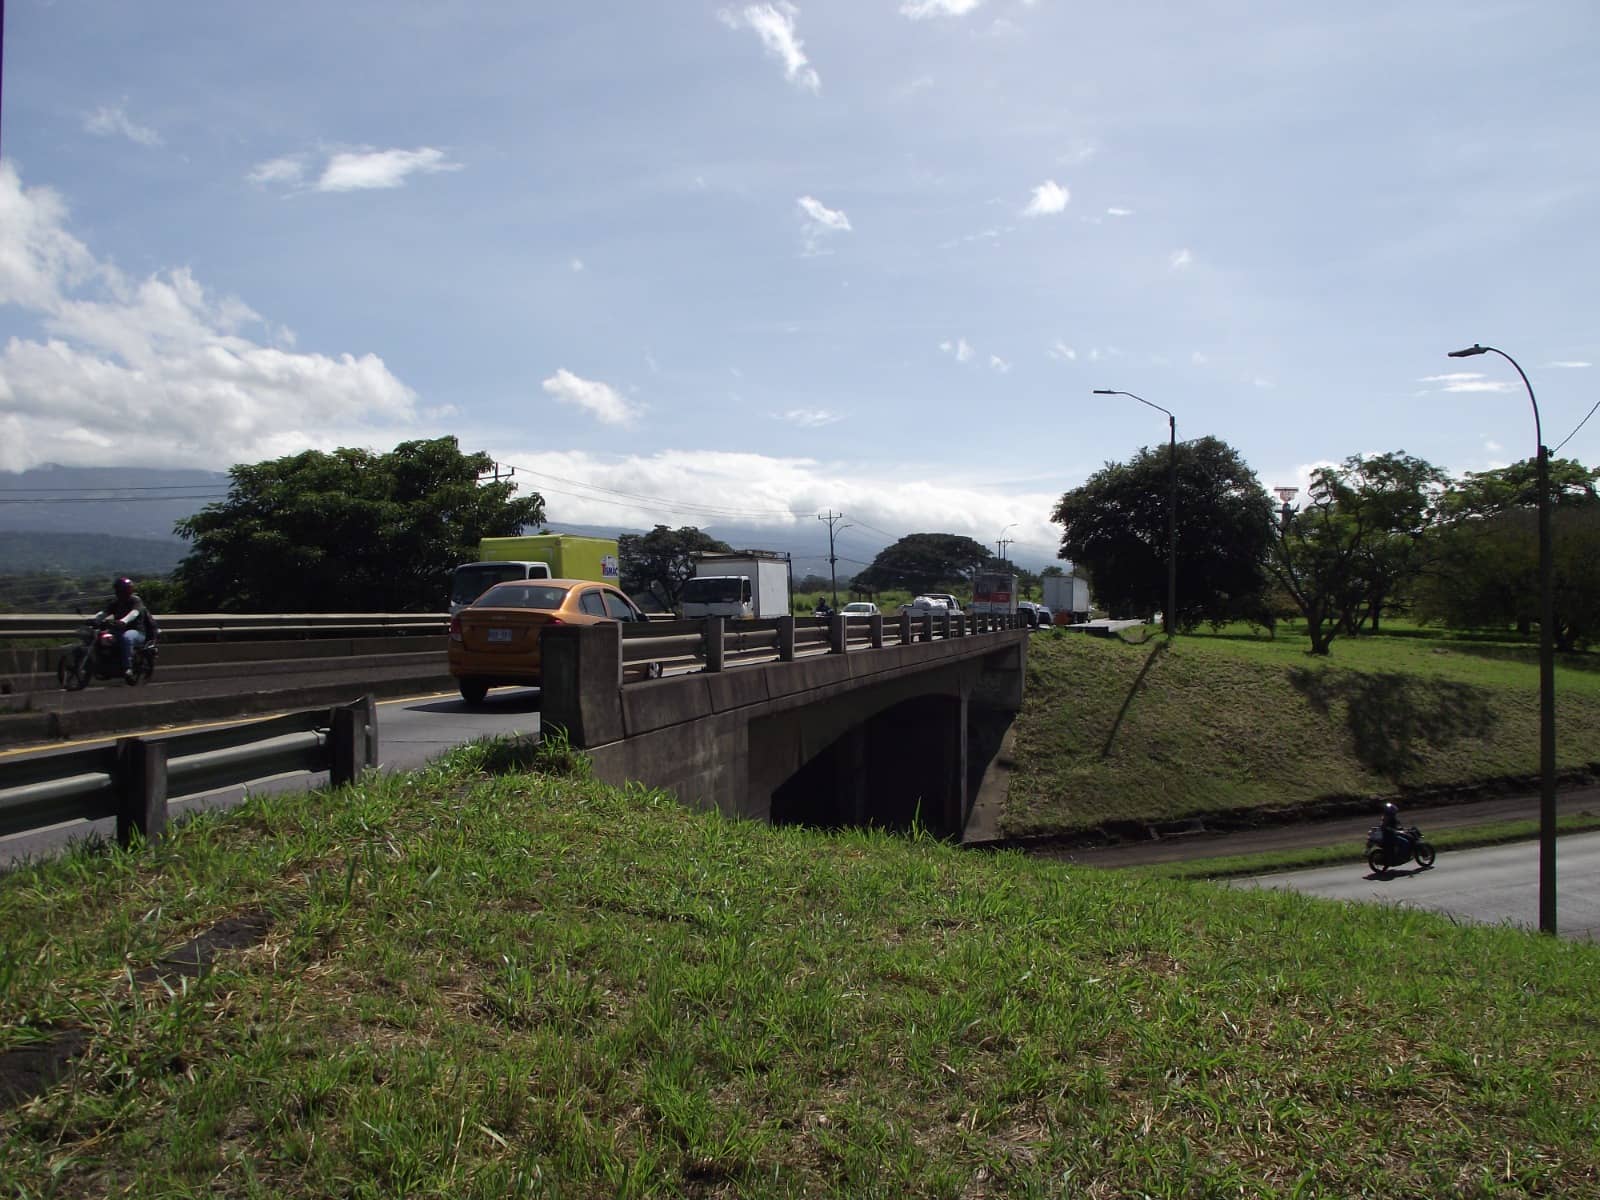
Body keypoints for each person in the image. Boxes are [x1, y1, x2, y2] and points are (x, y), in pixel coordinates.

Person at [95, 576, 157, 684]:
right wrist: (94, 619)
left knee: (126, 637)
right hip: (118, 630)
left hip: (137, 632)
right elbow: (104, 612)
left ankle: (128, 668)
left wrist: (124, 620)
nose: (120, 592)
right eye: (119, 590)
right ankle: (104, 665)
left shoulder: (135, 600)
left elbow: (134, 613)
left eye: (123, 589)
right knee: (101, 637)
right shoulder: (116, 602)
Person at [1380, 800, 1403, 866]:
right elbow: (1383, 826)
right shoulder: (1386, 818)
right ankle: (1395, 858)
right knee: (1403, 842)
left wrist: (1401, 828)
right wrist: (1392, 830)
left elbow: (1398, 824)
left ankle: (1401, 856)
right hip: (1388, 836)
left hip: (1393, 834)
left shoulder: (1393, 817)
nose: (1394, 812)